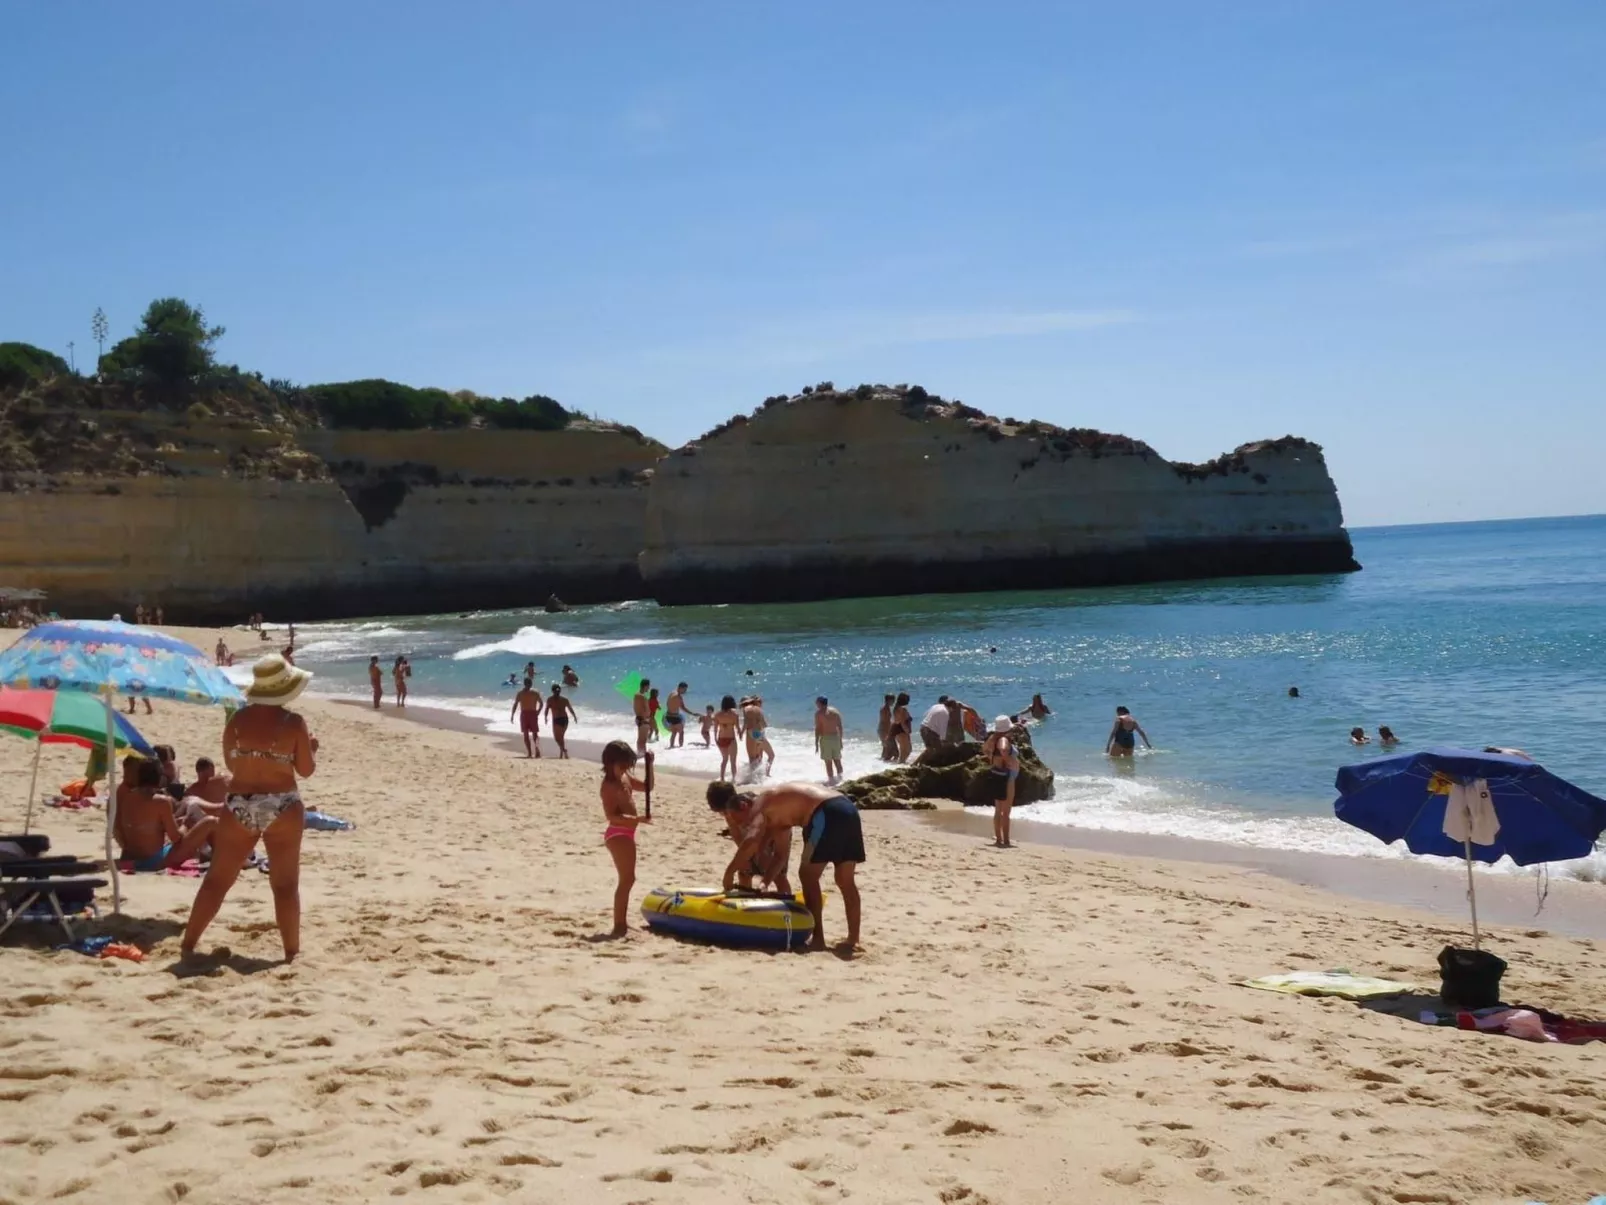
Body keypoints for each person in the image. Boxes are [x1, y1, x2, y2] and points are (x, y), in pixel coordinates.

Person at [181, 654, 317, 963]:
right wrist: (310, 747)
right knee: (284, 884)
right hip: (281, 802)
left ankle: (189, 943)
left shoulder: (237, 720)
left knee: (217, 880)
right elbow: (306, 770)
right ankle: (291, 952)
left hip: (240, 802)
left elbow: (232, 764)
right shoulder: (293, 722)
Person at [709, 781, 863, 953]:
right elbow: (780, 856)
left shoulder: (761, 804)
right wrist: (765, 882)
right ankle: (853, 940)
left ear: (745, 806)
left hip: (825, 812)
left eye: (743, 821)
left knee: (808, 876)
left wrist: (729, 873)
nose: (745, 826)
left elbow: (751, 840)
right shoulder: (779, 817)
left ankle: (818, 939)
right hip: (848, 809)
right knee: (845, 880)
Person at [116, 759, 215, 871]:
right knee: (210, 822)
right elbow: (176, 837)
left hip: (130, 858)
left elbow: (145, 825)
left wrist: (177, 822)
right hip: (153, 861)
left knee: (185, 823)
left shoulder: (127, 799)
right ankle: (216, 856)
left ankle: (208, 854)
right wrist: (185, 825)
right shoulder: (161, 802)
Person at [600, 741, 652, 938]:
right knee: (627, 879)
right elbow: (611, 816)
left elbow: (648, 787)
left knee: (629, 879)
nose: (625, 769)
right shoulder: (608, 786)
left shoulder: (625, 777)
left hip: (627, 832)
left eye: (627, 766)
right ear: (610, 763)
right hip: (617, 833)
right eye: (622, 765)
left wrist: (650, 766)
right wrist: (637, 819)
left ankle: (622, 923)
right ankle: (619, 925)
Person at [705, 786, 792, 893]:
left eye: (724, 812)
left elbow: (761, 838)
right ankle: (745, 896)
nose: (726, 815)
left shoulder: (753, 807)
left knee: (777, 875)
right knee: (743, 871)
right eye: (722, 813)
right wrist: (745, 857)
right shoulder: (731, 811)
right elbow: (737, 835)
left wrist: (762, 854)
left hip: (774, 833)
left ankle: (786, 899)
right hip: (754, 837)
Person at [983, 717, 1021, 848]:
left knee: (998, 810)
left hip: (997, 775)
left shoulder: (992, 739)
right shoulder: (1003, 740)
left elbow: (985, 750)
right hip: (1007, 778)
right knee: (1006, 812)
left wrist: (992, 759)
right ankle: (1006, 841)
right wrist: (1009, 760)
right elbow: (1003, 749)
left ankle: (999, 839)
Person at [511, 676, 544, 758]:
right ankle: (536, 750)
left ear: (524, 684)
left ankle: (530, 753)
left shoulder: (520, 693)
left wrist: (512, 714)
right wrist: (538, 711)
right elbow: (541, 703)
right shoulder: (535, 692)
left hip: (525, 714)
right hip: (532, 714)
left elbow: (515, 704)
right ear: (531, 683)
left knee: (527, 734)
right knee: (535, 734)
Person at [814, 696, 844, 783]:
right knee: (838, 761)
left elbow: (818, 728)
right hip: (835, 738)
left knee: (828, 762)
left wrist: (816, 742)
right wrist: (840, 740)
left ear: (820, 703)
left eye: (817, 703)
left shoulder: (819, 714)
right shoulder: (835, 711)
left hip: (826, 738)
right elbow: (840, 727)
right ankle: (841, 780)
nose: (816, 704)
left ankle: (831, 782)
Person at [742, 696, 775, 775]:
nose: (761, 704)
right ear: (757, 702)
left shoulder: (747, 709)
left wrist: (740, 732)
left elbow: (746, 723)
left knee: (753, 758)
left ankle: (752, 776)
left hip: (749, 732)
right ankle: (766, 774)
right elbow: (764, 725)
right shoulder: (759, 710)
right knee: (771, 755)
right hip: (757, 734)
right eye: (760, 702)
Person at [546, 683, 577, 758]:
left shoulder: (550, 699)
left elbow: (546, 709)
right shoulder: (564, 699)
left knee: (557, 738)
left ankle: (563, 750)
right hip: (565, 719)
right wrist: (574, 716)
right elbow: (570, 709)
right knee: (561, 737)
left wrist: (545, 717)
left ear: (552, 691)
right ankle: (562, 754)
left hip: (557, 719)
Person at [714, 696, 741, 779]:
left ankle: (722, 778)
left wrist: (715, 739)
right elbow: (737, 728)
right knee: (733, 762)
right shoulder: (734, 715)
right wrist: (740, 735)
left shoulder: (717, 714)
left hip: (721, 738)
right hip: (731, 739)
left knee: (724, 760)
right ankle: (734, 779)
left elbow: (715, 729)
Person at [665, 682, 689, 748]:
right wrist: (692, 713)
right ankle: (681, 747)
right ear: (680, 688)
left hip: (668, 716)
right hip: (675, 717)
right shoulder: (678, 697)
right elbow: (683, 708)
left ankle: (671, 746)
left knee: (674, 732)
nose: (685, 691)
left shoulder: (672, 693)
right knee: (681, 732)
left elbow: (667, 703)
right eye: (685, 689)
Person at [891, 692, 913, 763]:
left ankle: (901, 763)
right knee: (908, 749)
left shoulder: (896, 708)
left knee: (903, 750)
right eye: (908, 699)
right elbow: (903, 721)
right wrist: (907, 731)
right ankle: (901, 763)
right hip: (902, 730)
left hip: (897, 730)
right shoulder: (903, 709)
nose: (909, 701)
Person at [633, 678, 653, 755]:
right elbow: (647, 710)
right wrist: (648, 718)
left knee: (639, 740)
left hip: (638, 718)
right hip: (644, 719)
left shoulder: (636, 695)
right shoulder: (643, 697)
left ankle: (639, 754)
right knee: (643, 741)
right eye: (648, 686)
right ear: (645, 686)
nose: (649, 688)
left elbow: (635, 707)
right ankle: (643, 756)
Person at [877, 693, 896, 761]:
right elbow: (886, 722)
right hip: (883, 730)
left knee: (885, 748)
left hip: (882, 729)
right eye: (893, 700)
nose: (894, 702)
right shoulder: (885, 709)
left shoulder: (885, 708)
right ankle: (885, 762)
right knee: (888, 748)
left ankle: (882, 762)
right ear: (889, 700)